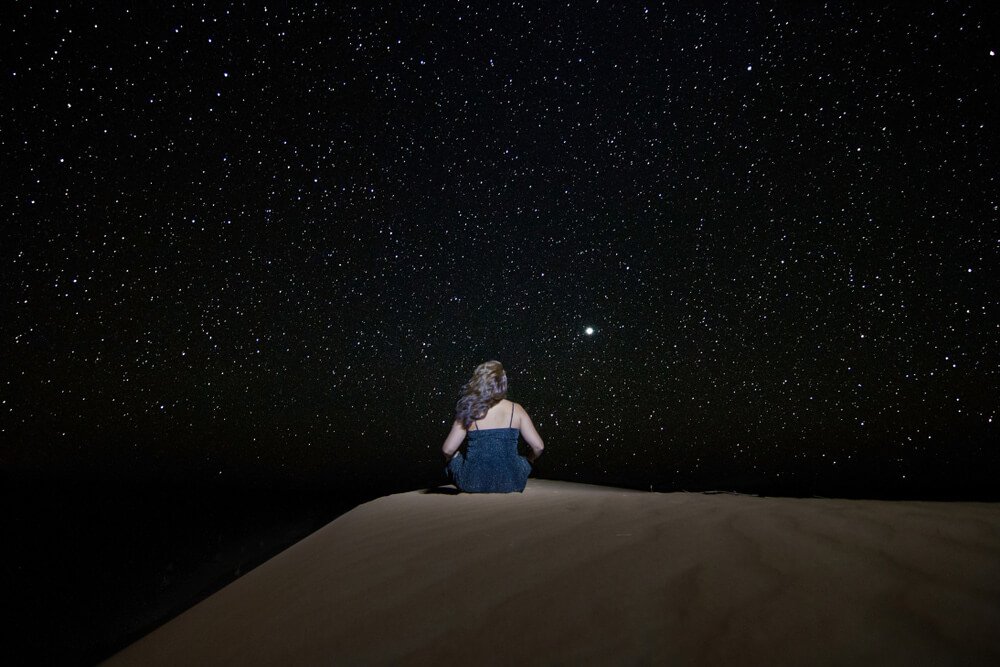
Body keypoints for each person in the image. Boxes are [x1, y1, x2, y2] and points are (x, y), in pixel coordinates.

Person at [441, 360, 544, 493]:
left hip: (472, 483)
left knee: (453, 457)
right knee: (524, 461)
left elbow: (447, 449)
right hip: (512, 482)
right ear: (503, 383)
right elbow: (539, 447)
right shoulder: (516, 409)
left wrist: (453, 458)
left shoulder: (470, 410)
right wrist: (530, 458)